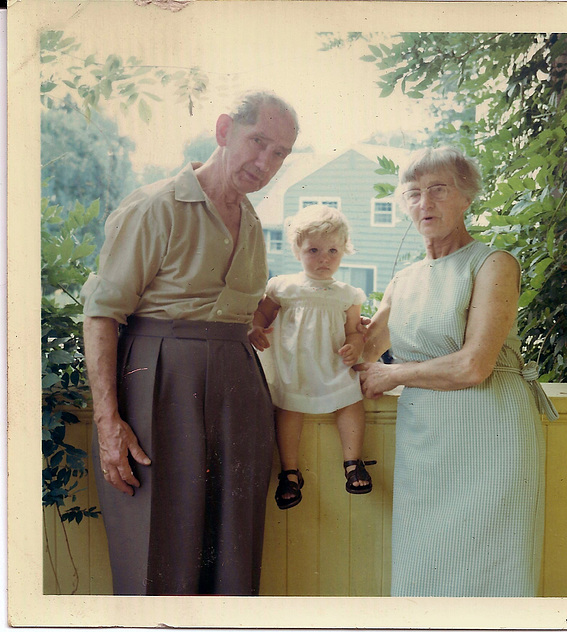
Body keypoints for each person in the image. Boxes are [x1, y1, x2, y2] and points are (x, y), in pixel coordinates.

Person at [80, 90, 299, 596]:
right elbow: (101, 314)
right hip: (157, 390)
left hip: (237, 394)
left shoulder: (255, 227)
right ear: (224, 131)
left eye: (279, 153)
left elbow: (232, 314)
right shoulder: (155, 206)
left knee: (234, 551)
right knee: (157, 553)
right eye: (257, 141)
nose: (264, 161)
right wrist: (108, 423)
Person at [356, 146, 558, 597]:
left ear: (466, 197)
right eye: (412, 193)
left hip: (492, 435)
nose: (424, 203)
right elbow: (364, 349)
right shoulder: (403, 281)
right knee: (423, 573)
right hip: (426, 443)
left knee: (493, 574)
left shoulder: (493, 263)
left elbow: (473, 365)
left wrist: (394, 375)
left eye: (438, 190)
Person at [249, 205, 375, 510]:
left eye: (333, 250)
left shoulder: (348, 294)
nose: (324, 258)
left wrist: (355, 346)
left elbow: (353, 332)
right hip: (295, 367)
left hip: (332, 364)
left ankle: (352, 461)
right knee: (289, 409)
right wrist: (254, 326)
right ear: (297, 251)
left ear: (344, 250)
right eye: (314, 250)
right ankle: (289, 472)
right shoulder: (283, 286)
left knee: (351, 402)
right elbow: (262, 314)